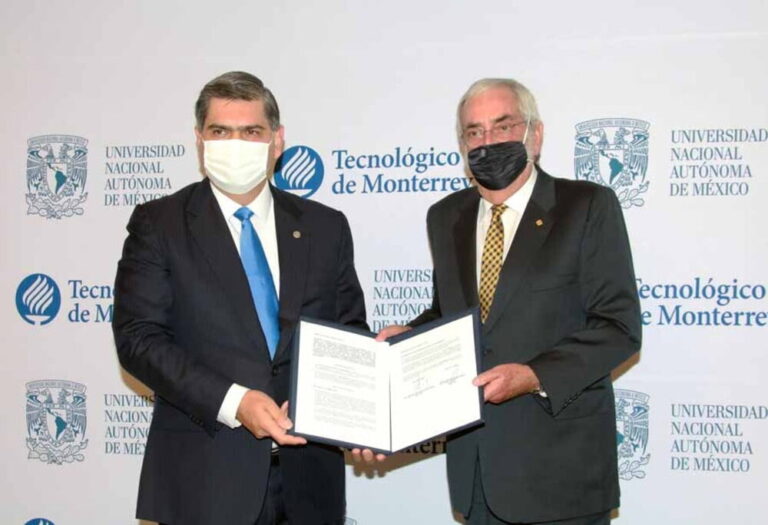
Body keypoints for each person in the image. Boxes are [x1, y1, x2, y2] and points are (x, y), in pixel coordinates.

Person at [373, 78, 642, 524]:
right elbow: (453, 313)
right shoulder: (446, 216)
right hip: (476, 471)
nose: (488, 142)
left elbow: (618, 327)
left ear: (535, 135)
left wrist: (534, 375)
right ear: (462, 144)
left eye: (503, 126)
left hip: (562, 473)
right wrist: (412, 335)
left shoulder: (586, 206)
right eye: (474, 132)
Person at [113, 71, 367, 525]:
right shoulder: (160, 224)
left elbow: (349, 333)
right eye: (220, 131)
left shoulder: (325, 227)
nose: (235, 144)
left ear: (277, 140)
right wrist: (235, 402)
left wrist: (363, 411)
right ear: (199, 140)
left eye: (251, 132)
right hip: (205, 482)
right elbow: (138, 339)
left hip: (311, 482)